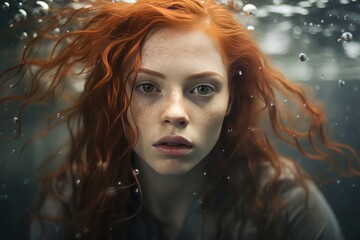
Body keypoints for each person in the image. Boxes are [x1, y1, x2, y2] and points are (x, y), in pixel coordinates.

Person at [0, 0, 359, 239]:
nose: (175, 113)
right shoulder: (74, 200)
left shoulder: (288, 202)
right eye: (146, 86)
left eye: (202, 89)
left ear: (232, 99)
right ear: (114, 97)